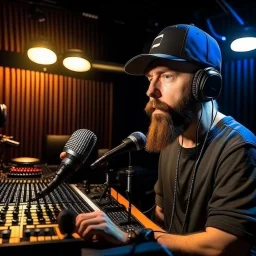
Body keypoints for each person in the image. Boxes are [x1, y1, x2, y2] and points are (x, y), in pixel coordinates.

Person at [60, 24, 256, 255]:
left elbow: (223, 245)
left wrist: (132, 236)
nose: (151, 91)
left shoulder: (238, 147)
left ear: (205, 85)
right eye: (150, 78)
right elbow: (161, 216)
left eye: (167, 76)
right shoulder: (172, 139)